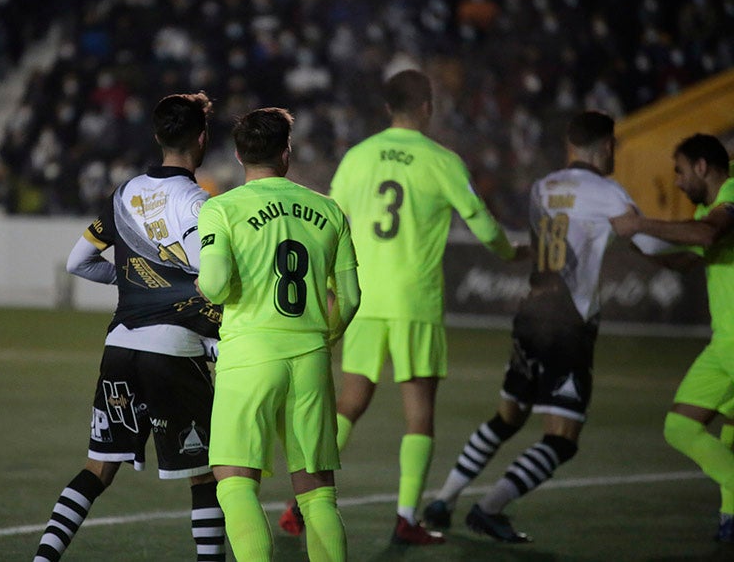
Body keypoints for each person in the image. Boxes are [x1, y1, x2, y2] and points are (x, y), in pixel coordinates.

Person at [279, 68, 525, 545]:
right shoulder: (441, 160)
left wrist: (330, 285)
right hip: (415, 300)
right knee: (419, 412)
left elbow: (332, 221)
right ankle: (406, 518)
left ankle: (298, 505)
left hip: (364, 298)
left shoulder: (358, 156)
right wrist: (513, 253)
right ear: (428, 107)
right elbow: (483, 224)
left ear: (388, 107)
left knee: (349, 403)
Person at [421, 111, 674, 542]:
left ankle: (444, 499)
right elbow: (646, 240)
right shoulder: (606, 190)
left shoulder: (544, 187)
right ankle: (489, 508)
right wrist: (695, 249)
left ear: (569, 146)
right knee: (562, 438)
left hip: (531, 314)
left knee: (508, 417)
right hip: (568, 324)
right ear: (607, 146)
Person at [33, 92, 227, 562]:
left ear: (158, 136)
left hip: (120, 345)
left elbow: (79, 262)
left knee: (97, 468)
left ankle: (42, 559)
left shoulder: (124, 195)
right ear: (201, 140)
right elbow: (209, 284)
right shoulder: (199, 204)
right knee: (205, 475)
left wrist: (129, 280)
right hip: (174, 349)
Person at [197, 106, 360, 562]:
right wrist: (322, 338)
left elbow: (211, 284)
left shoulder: (222, 208)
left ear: (238, 154)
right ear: (285, 154)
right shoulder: (328, 211)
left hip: (248, 359)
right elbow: (349, 297)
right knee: (318, 494)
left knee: (234, 482)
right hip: (308, 358)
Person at [610, 133, 734, 543]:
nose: (677, 182)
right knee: (682, 427)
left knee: (715, 432)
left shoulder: (731, 196)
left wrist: (642, 222)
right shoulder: (709, 210)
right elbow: (683, 262)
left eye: (680, 171)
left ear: (702, 166)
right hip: (725, 345)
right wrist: (637, 244)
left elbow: (707, 235)